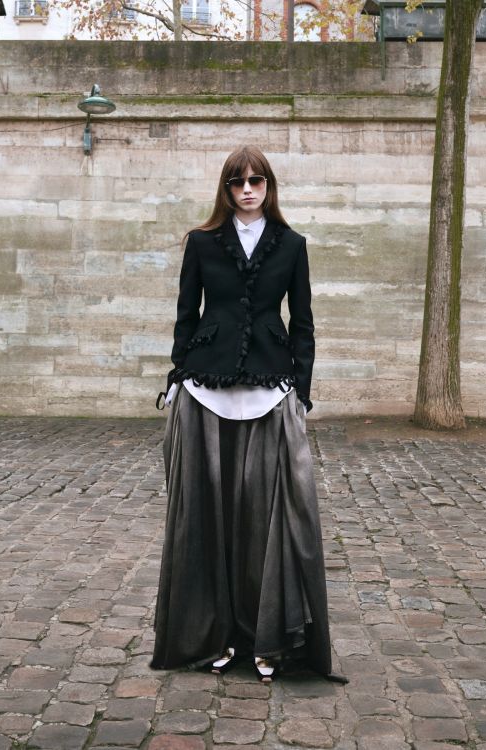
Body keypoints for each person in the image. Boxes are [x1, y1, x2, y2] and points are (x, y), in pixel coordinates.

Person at [150, 146, 347, 685]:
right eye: (237, 182)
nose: (247, 190)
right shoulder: (201, 243)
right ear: (226, 188)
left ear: (268, 185)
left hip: (269, 385)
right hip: (206, 387)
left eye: (256, 180)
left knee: (265, 517)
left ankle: (266, 638)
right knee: (208, 517)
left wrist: (301, 390)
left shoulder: (292, 245)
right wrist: (177, 375)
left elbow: (303, 322)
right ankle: (212, 636)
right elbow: (186, 314)